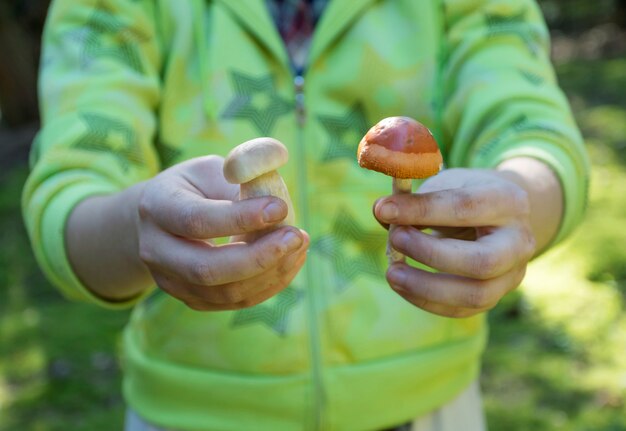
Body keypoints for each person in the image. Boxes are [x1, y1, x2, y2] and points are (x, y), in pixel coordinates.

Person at [23, 0, 590, 430]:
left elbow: (529, 122)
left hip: (430, 407)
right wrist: (137, 225)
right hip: (191, 413)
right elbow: (73, 188)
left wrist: (523, 195)